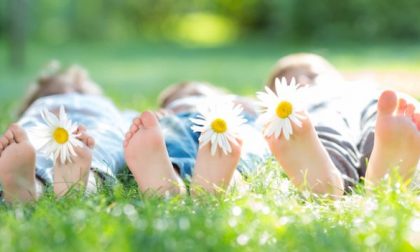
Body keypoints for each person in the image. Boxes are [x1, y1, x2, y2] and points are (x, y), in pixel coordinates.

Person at [264, 53, 420, 195]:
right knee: (322, 128)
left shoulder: (360, 86)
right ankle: (325, 179)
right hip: (315, 111)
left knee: (382, 119)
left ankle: (390, 156)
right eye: (290, 81)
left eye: (313, 74)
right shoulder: (306, 102)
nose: (303, 80)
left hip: (372, 105)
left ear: (337, 76)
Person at [0, 62, 136, 203]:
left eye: (79, 88)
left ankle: (26, 186)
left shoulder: (40, 104)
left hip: (42, 124)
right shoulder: (104, 105)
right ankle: (82, 184)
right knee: (99, 150)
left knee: (31, 147)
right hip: (96, 125)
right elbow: (132, 121)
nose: (71, 92)